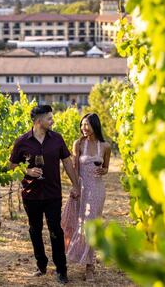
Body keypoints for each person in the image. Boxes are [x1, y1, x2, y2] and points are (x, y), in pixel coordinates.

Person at [9, 105, 80, 285]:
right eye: (49, 118)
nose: (52, 121)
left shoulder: (57, 139)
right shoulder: (22, 141)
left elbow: (67, 163)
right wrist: (27, 171)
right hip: (30, 194)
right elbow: (11, 167)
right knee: (35, 230)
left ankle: (61, 270)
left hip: (53, 193)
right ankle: (41, 265)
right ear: (39, 121)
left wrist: (76, 185)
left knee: (56, 231)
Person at [62, 113, 111, 282]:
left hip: (97, 189)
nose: (84, 128)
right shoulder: (78, 144)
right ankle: (75, 256)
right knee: (76, 222)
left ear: (95, 126)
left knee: (90, 225)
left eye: (87, 125)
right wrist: (75, 187)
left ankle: (90, 266)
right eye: (82, 125)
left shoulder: (105, 146)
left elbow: (106, 168)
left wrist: (103, 170)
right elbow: (75, 168)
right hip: (81, 188)